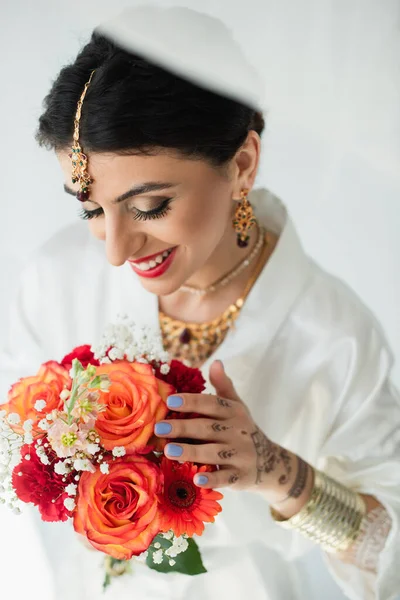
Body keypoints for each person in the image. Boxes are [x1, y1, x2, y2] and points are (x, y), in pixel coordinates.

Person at [1, 7, 399, 600]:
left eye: (150, 206)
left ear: (241, 165)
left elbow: (386, 550)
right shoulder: (56, 279)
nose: (115, 250)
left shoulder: (335, 335)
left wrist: (277, 473)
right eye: (90, 210)